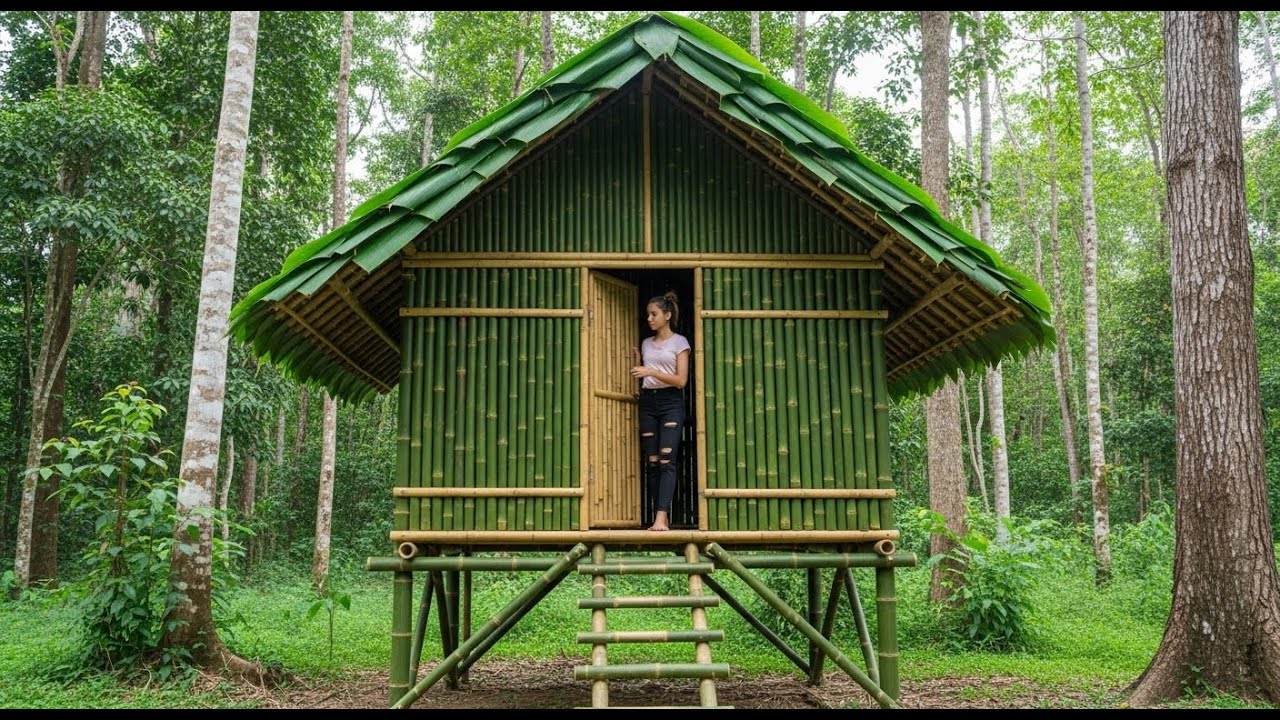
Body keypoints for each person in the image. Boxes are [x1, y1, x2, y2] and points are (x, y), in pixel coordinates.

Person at [631, 291, 690, 532]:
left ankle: (661, 519)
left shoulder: (680, 342)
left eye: (654, 314)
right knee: (653, 462)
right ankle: (658, 517)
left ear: (667, 315)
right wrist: (637, 362)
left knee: (667, 460)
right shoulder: (646, 343)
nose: (649, 318)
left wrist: (650, 371)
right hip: (648, 402)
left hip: (671, 402)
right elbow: (642, 375)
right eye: (648, 314)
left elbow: (681, 380)